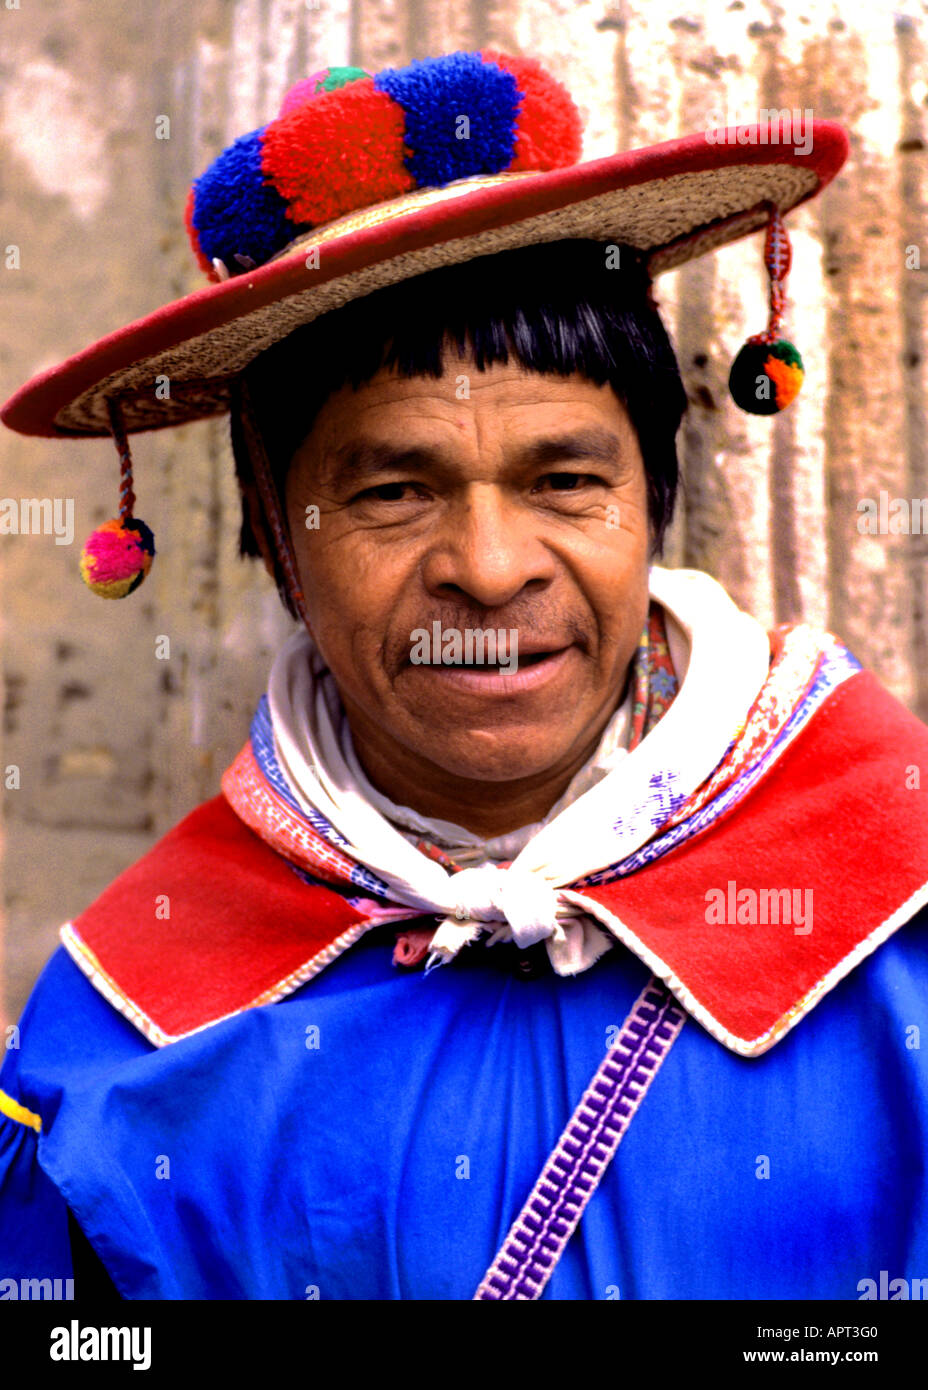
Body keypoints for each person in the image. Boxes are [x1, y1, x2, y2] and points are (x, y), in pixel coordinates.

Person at [2, 50, 927, 1302]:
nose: (489, 571)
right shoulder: (129, 1039)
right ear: (279, 539)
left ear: (654, 501)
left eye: (563, 481)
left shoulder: (893, 896)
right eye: (392, 492)